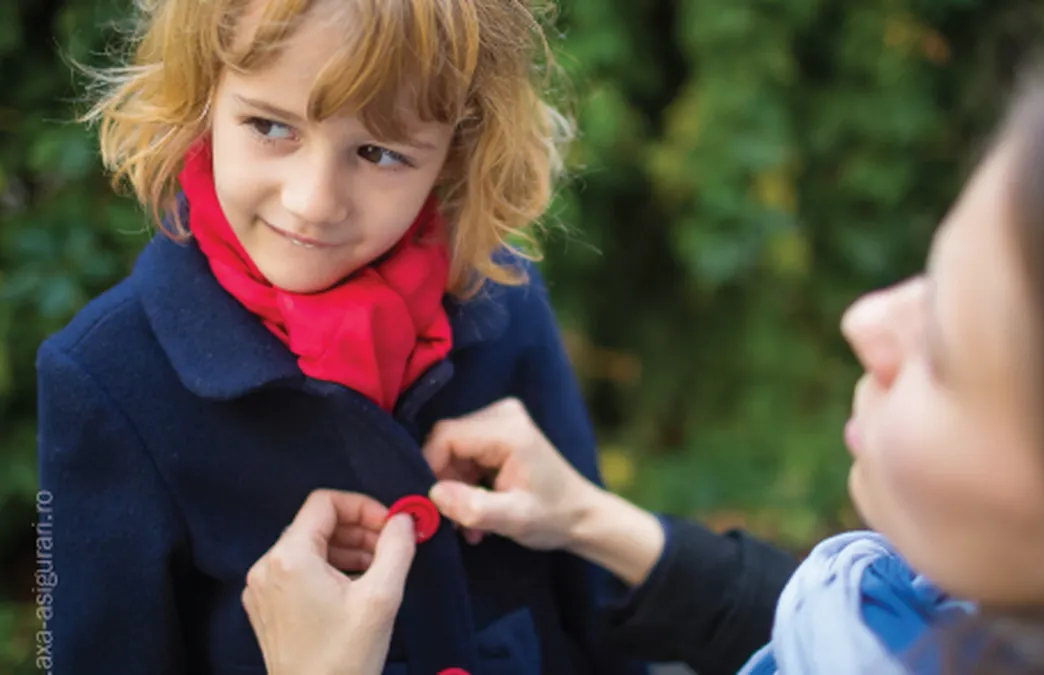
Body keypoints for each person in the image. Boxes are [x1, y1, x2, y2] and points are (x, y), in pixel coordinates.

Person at [241, 43, 1044, 675]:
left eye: (946, 347)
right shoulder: (941, 614)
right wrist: (594, 522)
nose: (867, 320)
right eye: (925, 273)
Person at [36, 1, 646, 674]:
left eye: (380, 152)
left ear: (455, 151)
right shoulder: (102, 378)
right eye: (270, 126)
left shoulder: (501, 295)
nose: (313, 201)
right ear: (203, 94)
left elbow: (600, 622)